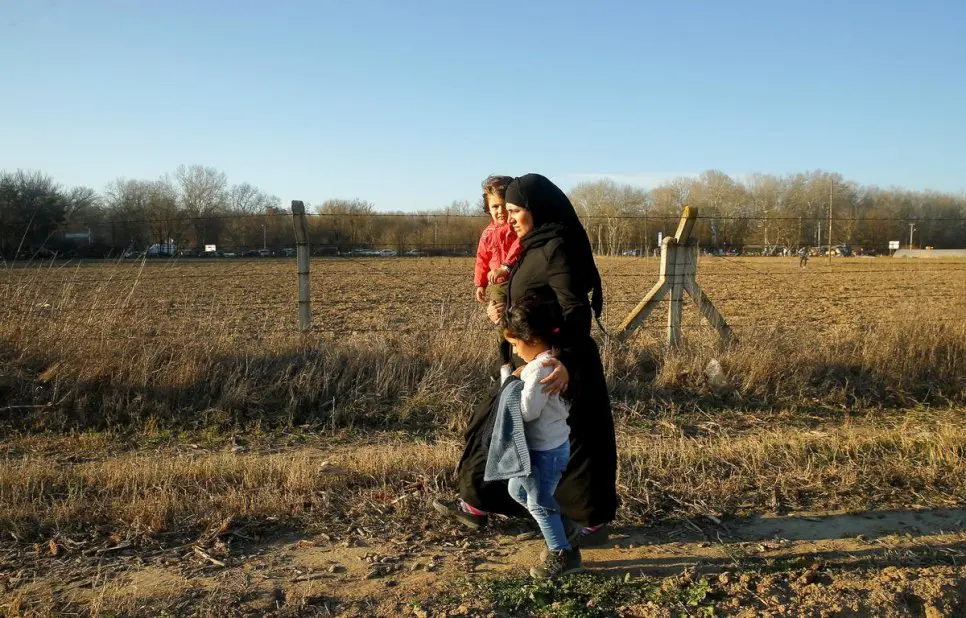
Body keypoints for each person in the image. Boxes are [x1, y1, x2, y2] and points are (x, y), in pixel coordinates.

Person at [435, 173, 618, 546]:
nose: (511, 217)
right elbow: (531, 294)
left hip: (562, 361)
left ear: (537, 210)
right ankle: (481, 502)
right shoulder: (533, 244)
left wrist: (561, 360)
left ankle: (590, 522)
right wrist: (500, 308)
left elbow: (575, 310)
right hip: (532, 354)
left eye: (517, 210)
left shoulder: (557, 247)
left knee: (578, 442)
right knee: (504, 425)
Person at [499, 296, 583, 578]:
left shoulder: (537, 369)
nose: (514, 350)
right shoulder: (551, 360)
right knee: (517, 491)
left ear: (531, 338)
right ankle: (562, 525)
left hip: (542, 451)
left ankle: (562, 554)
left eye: (514, 344)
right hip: (551, 444)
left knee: (538, 501)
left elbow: (527, 412)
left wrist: (510, 383)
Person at [474, 175, 520, 365]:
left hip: (516, 278)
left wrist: (505, 266)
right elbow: (482, 259)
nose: (500, 211)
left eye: (503, 205)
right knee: (499, 319)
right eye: (494, 207)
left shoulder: (516, 227)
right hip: (497, 285)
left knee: (518, 319)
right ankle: (504, 361)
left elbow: (520, 246)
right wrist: (480, 283)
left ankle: (520, 357)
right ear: (488, 209)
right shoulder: (487, 233)